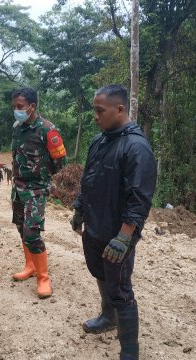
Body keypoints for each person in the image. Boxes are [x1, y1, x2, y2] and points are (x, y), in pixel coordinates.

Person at [71, 85, 156, 360]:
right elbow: (88, 180)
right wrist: (79, 211)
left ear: (119, 110)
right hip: (95, 226)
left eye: (100, 111)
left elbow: (139, 199)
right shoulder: (100, 141)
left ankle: (130, 351)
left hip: (118, 233)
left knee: (120, 288)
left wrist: (124, 237)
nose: (95, 116)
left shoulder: (136, 147)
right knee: (100, 273)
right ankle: (108, 317)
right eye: (94, 110)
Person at [10, 87, 67, 299]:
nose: (16, 110)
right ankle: (30, 266)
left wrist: (43, 180)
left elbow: (60, 162)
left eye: (20, 107)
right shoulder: (17, 127)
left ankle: (43, 277)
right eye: (14, 106)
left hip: (36, 189)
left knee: (32, 232)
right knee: (20, 228)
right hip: (18, 188)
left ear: (32, 106)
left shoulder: (48, 130)